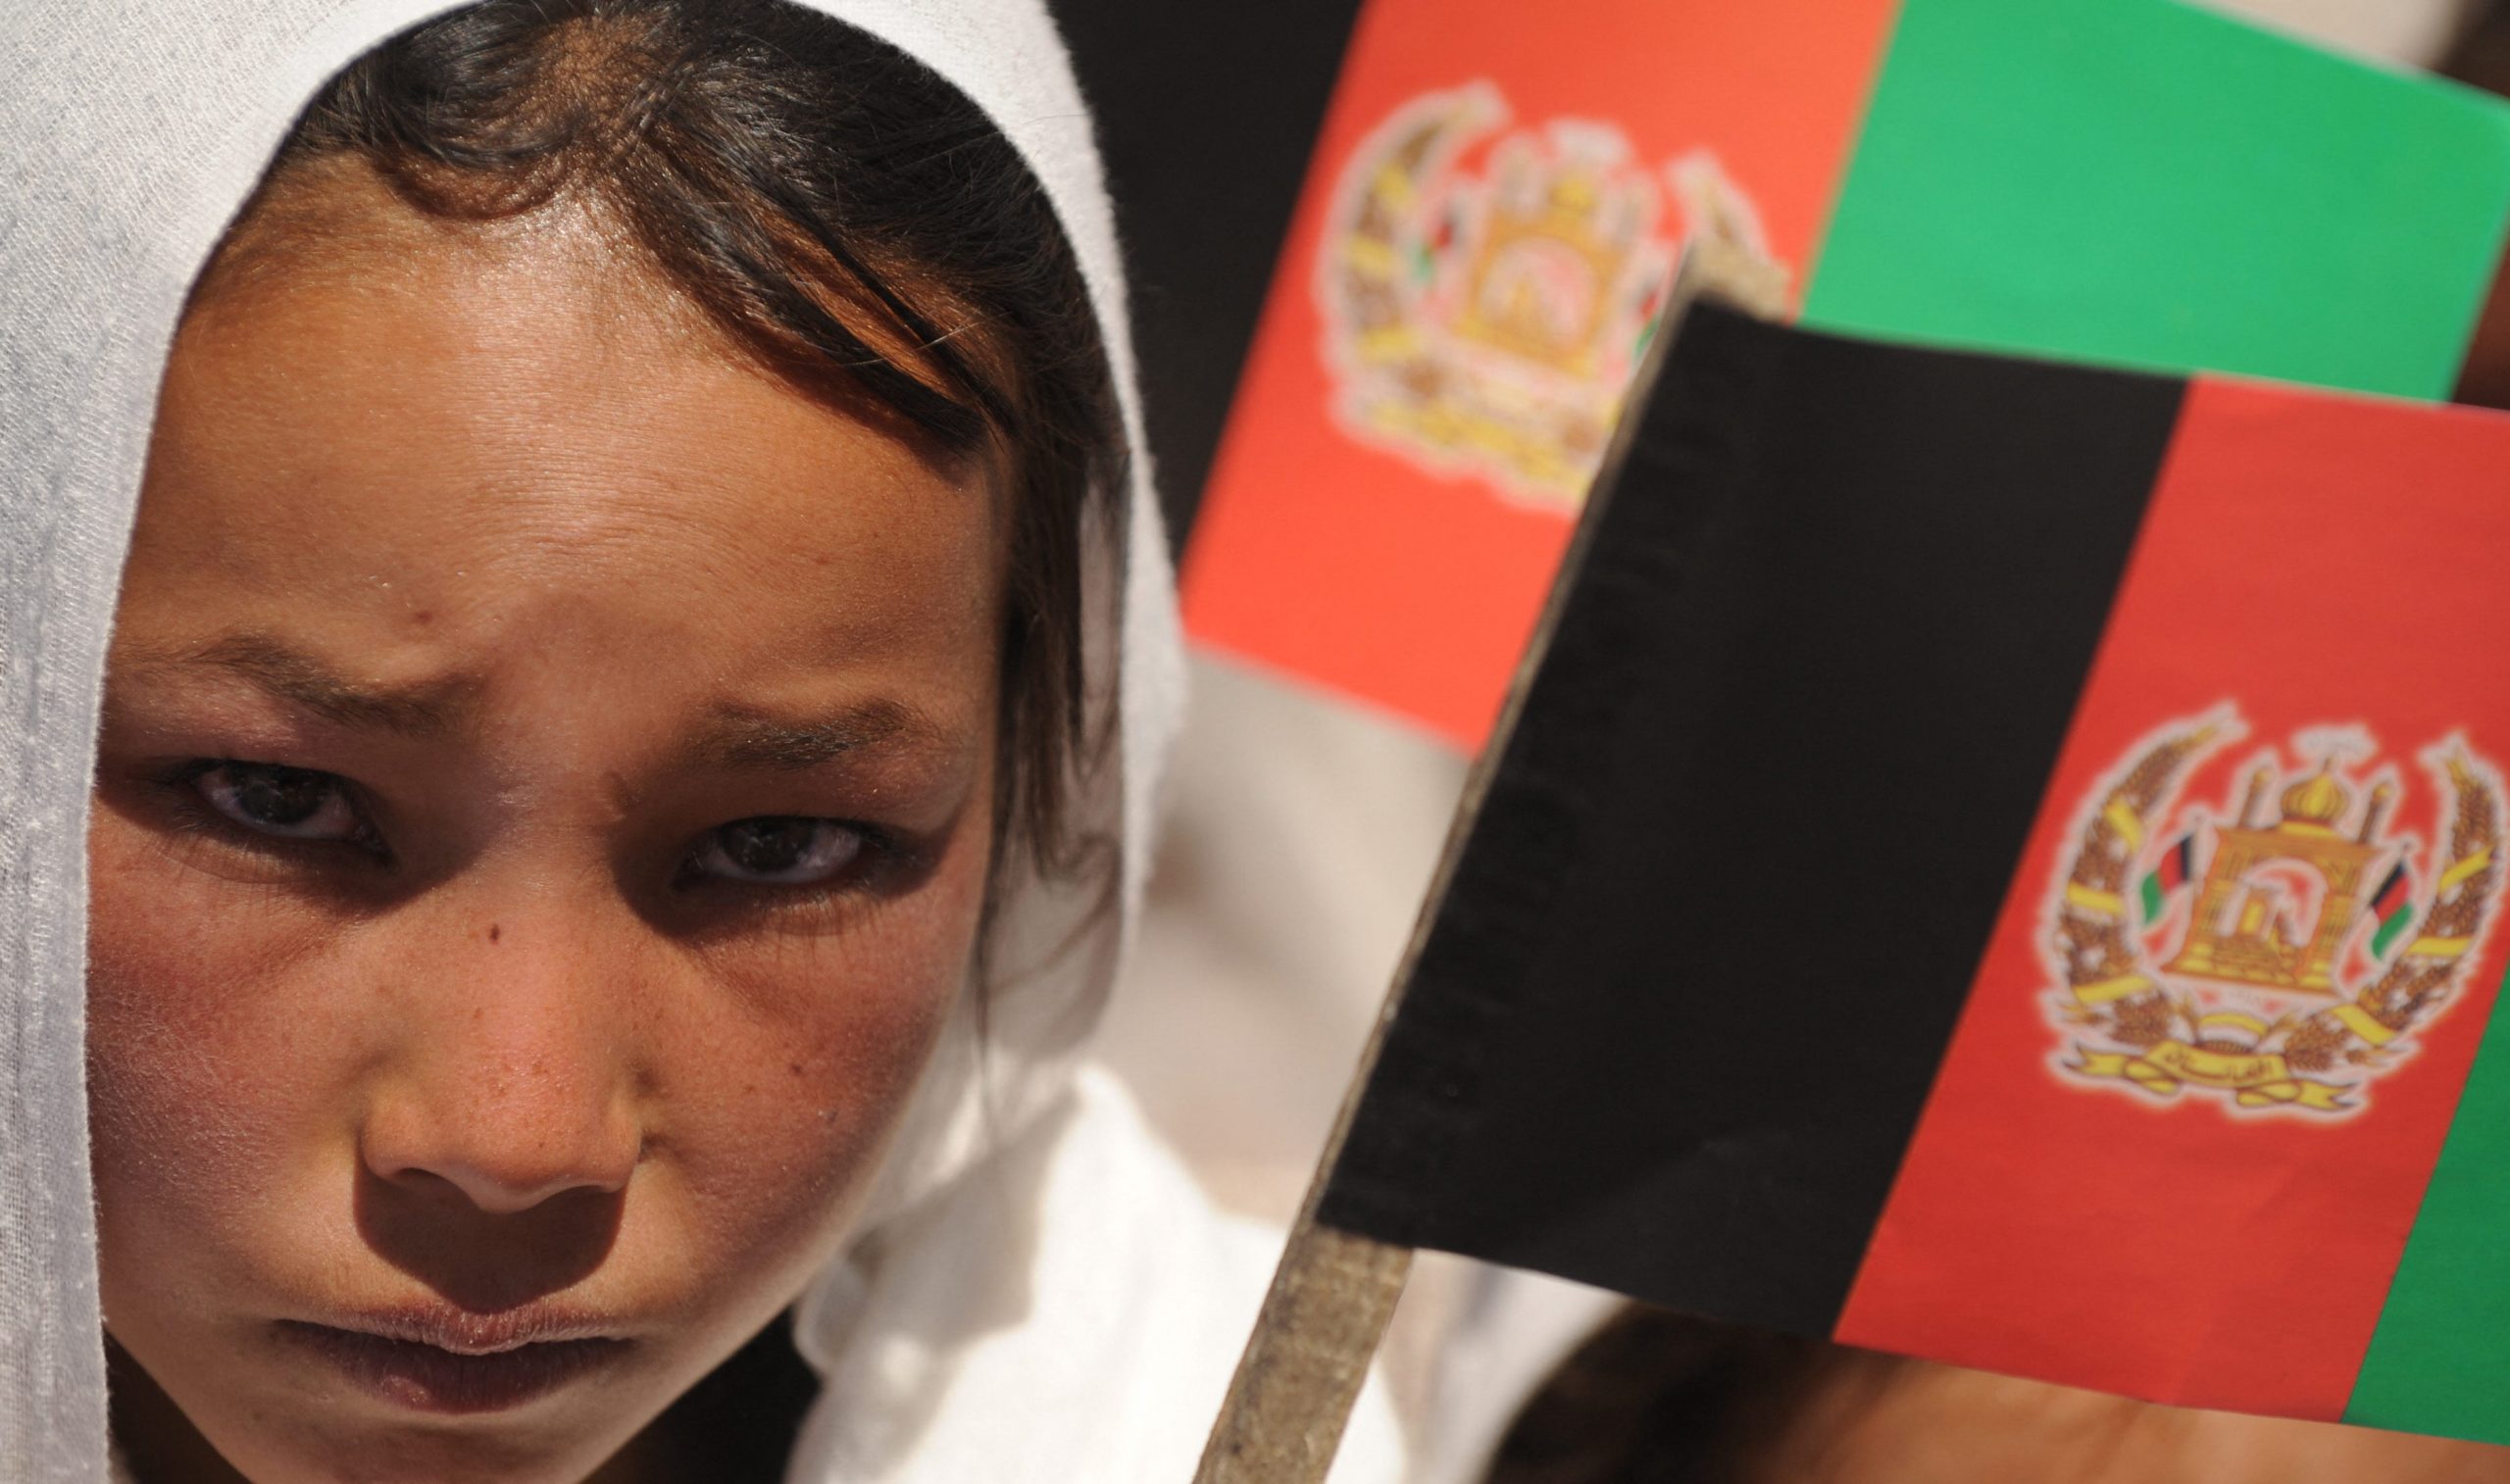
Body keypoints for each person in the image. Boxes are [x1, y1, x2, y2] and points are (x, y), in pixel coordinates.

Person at [0, 1, 1401, 1479]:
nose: (517, 1134)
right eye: (281, 797)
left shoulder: (1164, 1419)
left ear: (1029, 824)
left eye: (775, 845)